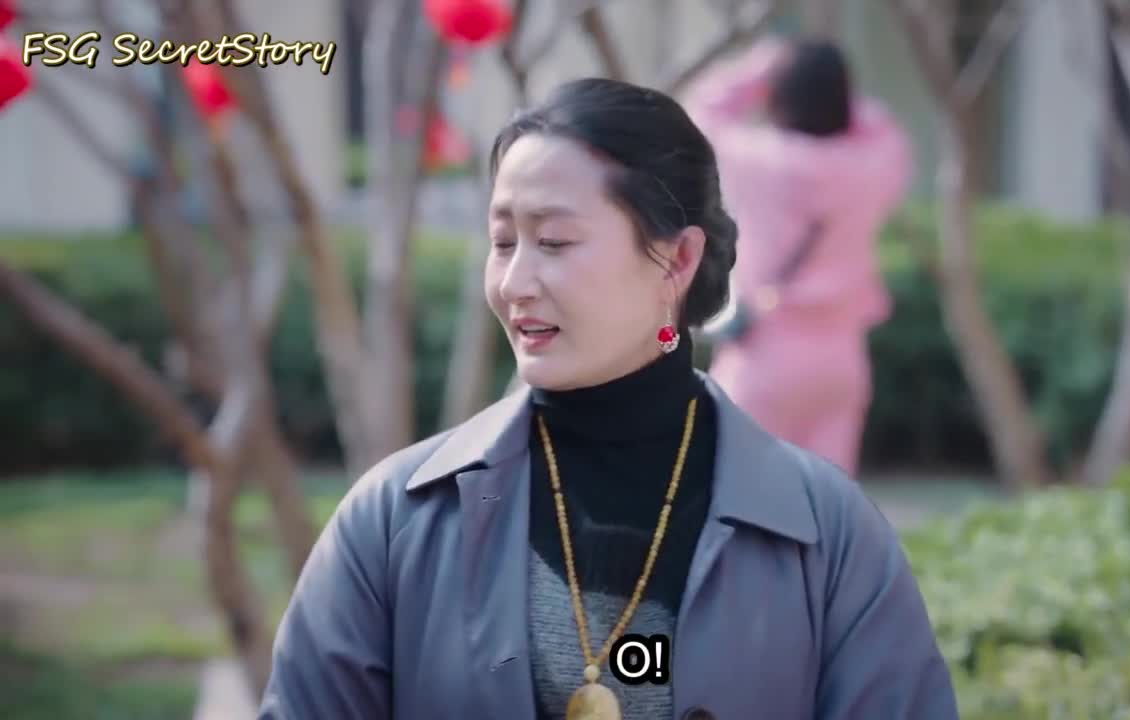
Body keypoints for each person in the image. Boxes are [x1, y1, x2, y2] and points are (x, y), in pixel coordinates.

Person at [258, 77, 955, 719]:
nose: (515, 283)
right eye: (502, 242)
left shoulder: (827, 538)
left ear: (678, 260)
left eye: (554, 241)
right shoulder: (395, 522)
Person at [683, 37, 913, 478]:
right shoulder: (869, 167)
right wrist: (837, 91)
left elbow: (701, 112)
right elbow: (887, 132)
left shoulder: (757, 161)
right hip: (840, 359)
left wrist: (761, 68)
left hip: (763, 355)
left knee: (739, 494)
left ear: (778, 94)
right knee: (823, 503)